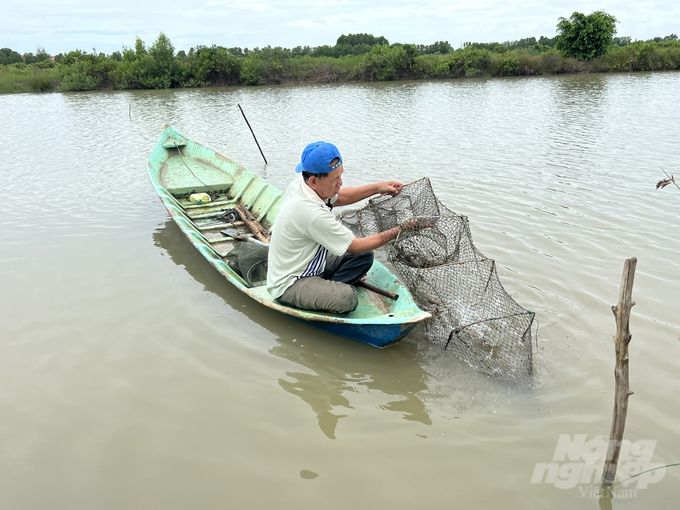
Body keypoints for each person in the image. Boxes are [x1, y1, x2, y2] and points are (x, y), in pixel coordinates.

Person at [266, 140, 422, 314]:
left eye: (340, 175)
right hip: (291, 282)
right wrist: (401, 230)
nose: (340, 183)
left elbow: (340, 197)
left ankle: (325, 289)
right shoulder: (310, 212)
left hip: (310, 262)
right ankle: (327, 294)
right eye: (335, 179)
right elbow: (355, 246)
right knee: (347, 298)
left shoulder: (301, 185)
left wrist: (378, 188)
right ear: (314, 181)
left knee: (365, 256)